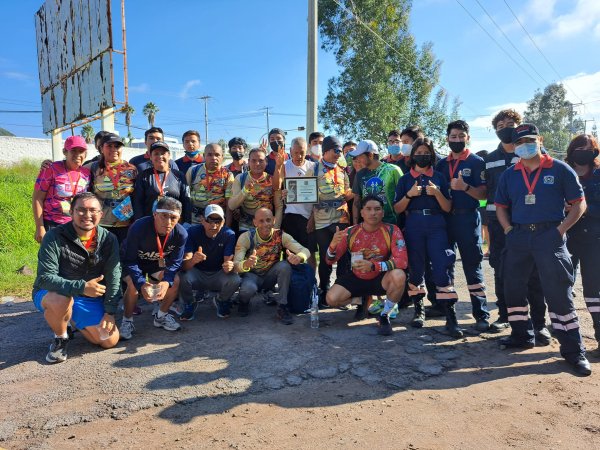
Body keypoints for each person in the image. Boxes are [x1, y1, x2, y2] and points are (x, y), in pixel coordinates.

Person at [495, 123, 591, 376]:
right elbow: (500, 205)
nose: (523, 146)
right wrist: (507, 230)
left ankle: (573, 351)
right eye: (519, 142)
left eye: (528, 140)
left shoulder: (560, 169)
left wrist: (560, 230)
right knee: (513, 289)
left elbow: (579, 204)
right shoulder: (510, 174)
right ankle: (521, 336)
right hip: (518, 236)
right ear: (514, 146)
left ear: (540, 139)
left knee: (558, 293)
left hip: (550, 235)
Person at [32, 192, 121, 363]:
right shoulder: (54, 237)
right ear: (71, 212)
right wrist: (81, 287)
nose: (87, 215)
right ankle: (61, 338)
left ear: (101, 214)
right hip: (53, 293)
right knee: (61, 300)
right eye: (81, 210)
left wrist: (110, 311)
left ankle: (70, 319)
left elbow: (114, 275)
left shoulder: (109, 239)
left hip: (86, 297)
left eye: (93, 211)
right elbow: (44, 278)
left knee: (108, 340)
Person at [484, 110, 547, 337]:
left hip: (527, 223)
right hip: (498, 225)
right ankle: (504, 315)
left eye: (510, 123)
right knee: (501, 271)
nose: (506, 128)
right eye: (500, 125)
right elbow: (486, 191)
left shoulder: (534, 154)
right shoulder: (489, 159)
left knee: (533, 272)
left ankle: (539, 323)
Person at [393, 138, 463, 337]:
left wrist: (437, 192)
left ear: (431, 155)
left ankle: (450, 316)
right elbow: (397, 208)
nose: (422, 155)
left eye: (426, 152)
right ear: (413, 155)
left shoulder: (439, 176)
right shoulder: (405, 179)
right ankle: (418, 310)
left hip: (436, 225)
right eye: (418, 152)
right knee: (416, 268)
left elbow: (448, 207)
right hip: (414, 225)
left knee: (442, 267)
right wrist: (409, 195)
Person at [435, 120, 491, 331]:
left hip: (468, 218)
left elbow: (484, 194)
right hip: (445, 219)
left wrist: (465, 187)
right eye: (453, 136)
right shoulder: (441, 164)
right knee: (445, 265)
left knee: (472, 265)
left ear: (468, 137)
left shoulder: (477, 162)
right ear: (447, 139)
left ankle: (481, 314)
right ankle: (449, 315)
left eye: (461, 136)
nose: (457, 140)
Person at [325, 195, 408, 336]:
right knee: (331, 299)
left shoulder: (392, 230)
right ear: (362, 212)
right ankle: (360, 300)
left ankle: (385, 315)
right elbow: (329, 261)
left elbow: (402, 261)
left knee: (399, 275)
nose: (373, 213)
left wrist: (374, 266)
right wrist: (332, 245)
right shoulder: (350, 232)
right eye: (368, 209)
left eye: (377, 209)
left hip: (380, 277)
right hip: (356, 276)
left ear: (382, 212)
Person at [120, 197, 187, 340]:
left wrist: (165, 281)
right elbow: (130, 260)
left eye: (173, 217)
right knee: (133, 285)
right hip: (133, 262)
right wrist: (141, 283)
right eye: (164, 216)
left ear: (179, 218)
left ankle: (161, 316)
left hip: (155, 263)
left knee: (174, 281)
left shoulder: (181, 234)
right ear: (155, 214)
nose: (168, 222)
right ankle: (127, 320)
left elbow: (175, 262)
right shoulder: (138, 227)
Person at [234, 207, 310, 324]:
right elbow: (236, 265)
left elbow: (305, 250)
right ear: (254, 222)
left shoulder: (280, 236)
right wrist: (246, 263)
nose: (265, 224)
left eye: (268, 220)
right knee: (248, 289)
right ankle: (243, 302)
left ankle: (282, 306)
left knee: (284, 265)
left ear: (274, 220)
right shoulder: (246, 237)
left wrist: (299, 257)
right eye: (261, 221)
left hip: (270, 276)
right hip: (252, 276)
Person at [565, 134, 600, 351]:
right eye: (580, 147)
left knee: (594, 290)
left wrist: (581, 209)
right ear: (572, 150)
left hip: (594, 239)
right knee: (562, 286)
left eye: (590, 148)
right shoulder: (562, 172)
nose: (585, 151)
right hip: (565, 237)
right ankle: (567, 334)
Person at [310, 136, 354, 305]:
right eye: (336, 150)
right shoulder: (314, 169)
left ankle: (341, 292)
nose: (338, 154)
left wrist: (355, 192)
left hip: (341, 218)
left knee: (343, 257)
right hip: (321, 220)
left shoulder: (343, 170)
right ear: (326, 151)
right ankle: (324, 290)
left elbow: (347, 191)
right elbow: (305, 192)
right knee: (325, 256)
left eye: (340, 151)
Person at [179, 204, 241, 320]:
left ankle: (221, 300)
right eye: (210, 220)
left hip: (218, 273)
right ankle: (189, 302)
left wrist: (229, 266)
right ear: (202, 220)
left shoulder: (229, 234)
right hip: (197, 272)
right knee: (181, 276)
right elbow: (184, 265)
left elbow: (227, 262)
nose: (214, 225)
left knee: (235, 279)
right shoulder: (192, 232)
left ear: (223, 222)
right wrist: (193, 260)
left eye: (218, 221)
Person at [33, 135, 91, 243]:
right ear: (65, 152)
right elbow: (37, 199)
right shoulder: (50, 169)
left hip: (78, 225)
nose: (78, 155)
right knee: (53, 258)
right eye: (73, 150)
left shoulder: (86, 172)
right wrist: (40, 226)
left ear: (85, 154)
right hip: (53, 224)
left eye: (81, 151)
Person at [275, 136, 317, 270]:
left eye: (302, 152)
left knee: (310, 254)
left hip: (308, 218)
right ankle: (290, 284)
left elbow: (319, 196)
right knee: (290, 254)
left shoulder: (314, 166)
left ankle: (312, 284)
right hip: (290, 217)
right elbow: (276, 186)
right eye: (296, 152)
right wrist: (278, 166)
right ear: (290, 151)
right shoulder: (285, 165)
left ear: (307, 151)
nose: (299, 156)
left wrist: (313, 219)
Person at [88, 133, 138, 243]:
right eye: (109, 146)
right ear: (101, 148)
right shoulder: (92, 167)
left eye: (117, 146)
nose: (114, 149)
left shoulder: (131, 169)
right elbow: (70, 170)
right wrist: (48, 164)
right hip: (100, 223)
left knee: (122, 257)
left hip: (125, 223)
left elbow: (137, 195)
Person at [132, 141, 191, 223]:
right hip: (150, 224)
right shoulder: (144, 176)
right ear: (150, 157)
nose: (160, 156)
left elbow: (186, 202)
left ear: (169, 155)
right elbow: (138, 202)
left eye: (163, 153)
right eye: (156, 153)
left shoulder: (179, 175)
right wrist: (140, 223)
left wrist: (186, 223)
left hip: (173, 224)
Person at [228, 147, 283, 232]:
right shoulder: (240, 178)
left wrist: (275, 230)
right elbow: (231, 205)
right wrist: (245, 190)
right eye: (253, 160)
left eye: (261, 161)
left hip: (267, 227)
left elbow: (279, 206)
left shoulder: (272, 179)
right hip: (246, 227)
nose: (257, 164)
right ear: (249, 162)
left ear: (266, 162)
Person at [351, 139, 403, 226]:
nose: (358, 160)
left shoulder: (393, 170)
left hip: (393, 225)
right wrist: (355, 225)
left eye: (360, 156)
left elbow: (404, 196)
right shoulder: (360, 174)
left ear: (370, 155)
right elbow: (356, 201)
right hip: (369, 227)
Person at [186, 143, 233, 226]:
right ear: (204, 156)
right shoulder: (193, 171)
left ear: (222, 157)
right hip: (195, 221)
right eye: (210, 155)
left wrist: (227, 227)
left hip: (217, 222)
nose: (213, 158)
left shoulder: (228, 175)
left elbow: (229, 204)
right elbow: (185, 198)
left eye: (217, 155)